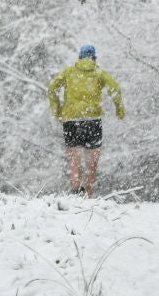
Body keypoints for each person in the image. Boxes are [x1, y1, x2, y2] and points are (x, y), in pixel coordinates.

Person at [47, 44, 125, 196]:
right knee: (92, 162)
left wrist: (57, 110)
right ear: (94, 58)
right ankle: (89, 194)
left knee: (74, 160)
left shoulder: (69, 72)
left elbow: (52, 88)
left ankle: (75, 191)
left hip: (71, 121)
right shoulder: (99, 72)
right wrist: (119, 109)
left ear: (80, 58)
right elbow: (115, 87)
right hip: (92, 120)